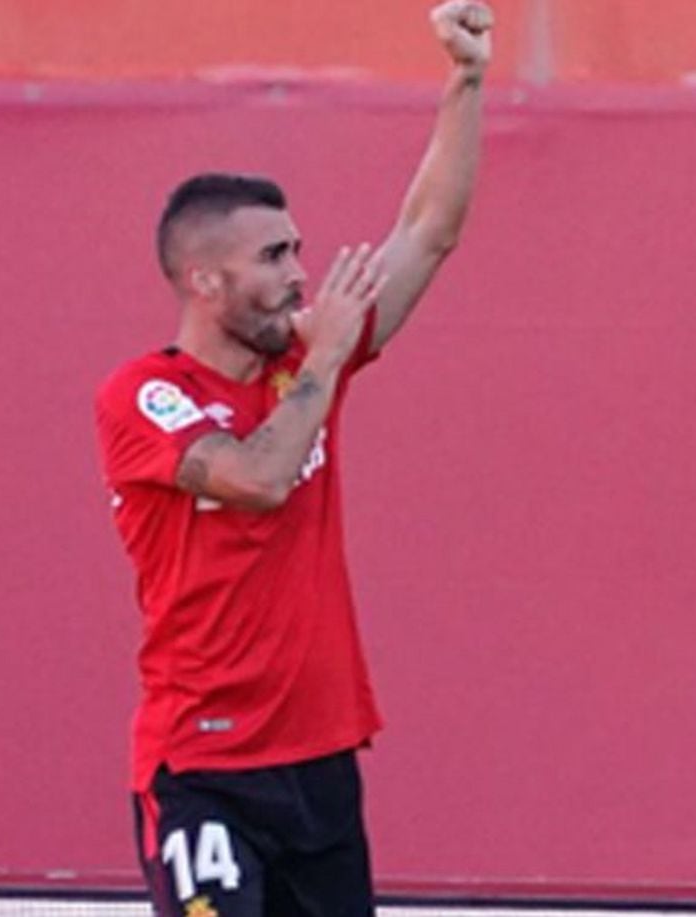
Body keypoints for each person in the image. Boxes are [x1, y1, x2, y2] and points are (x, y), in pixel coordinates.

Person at [94, 3, 493, 914]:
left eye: (300, 251)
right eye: (274, 256)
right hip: (205, 770)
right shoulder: (145, 392)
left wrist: (466, 81)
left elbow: (429, 230)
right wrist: (322, 358)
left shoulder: (301, 363)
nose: (300, 275)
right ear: (205, 279)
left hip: (318, 765)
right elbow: (258, 480)